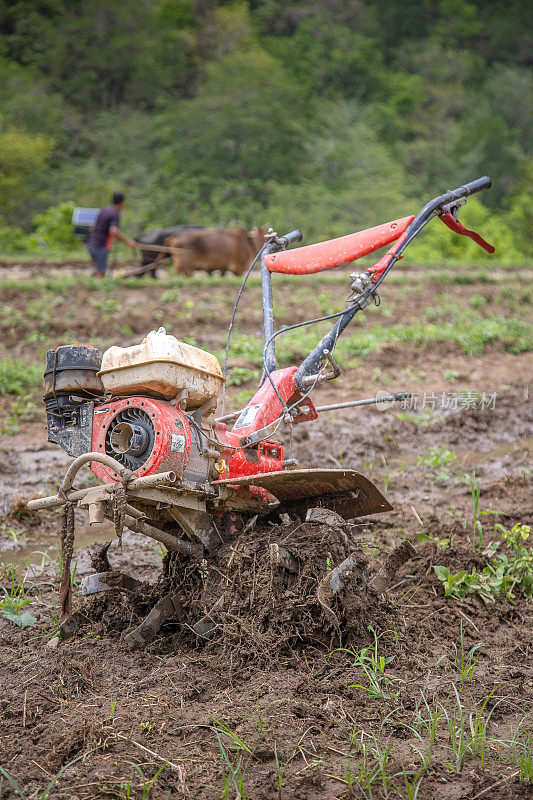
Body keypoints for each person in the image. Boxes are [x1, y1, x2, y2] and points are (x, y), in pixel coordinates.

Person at [87, 191, 136, 276]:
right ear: (122, 203)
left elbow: (92, 227)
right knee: (100, 274)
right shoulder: (115, 213)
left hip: (91, 245)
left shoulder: (103, 210)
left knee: (95, 272)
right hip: (100, 247)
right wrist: (128, 242)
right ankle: (100, 288)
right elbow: (114, 230)